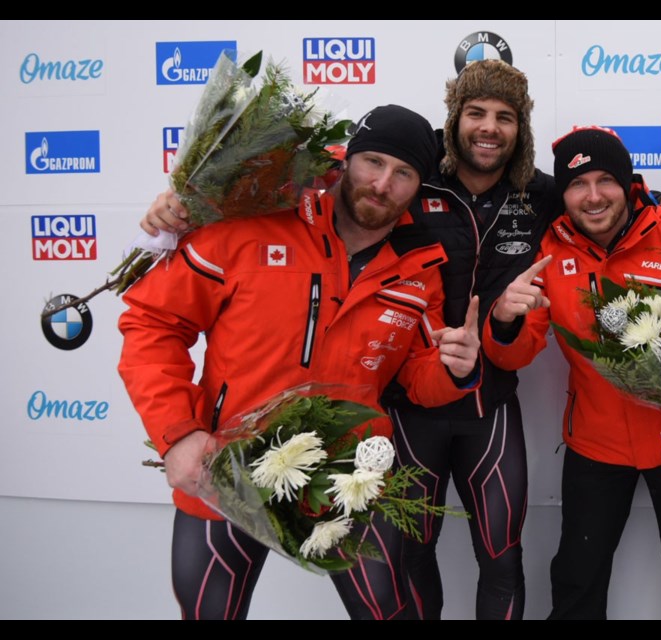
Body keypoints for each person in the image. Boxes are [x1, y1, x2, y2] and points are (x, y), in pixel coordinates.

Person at [141, 60, 661, 620]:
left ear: (521, 130)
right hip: (373, 418)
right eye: (476, 112)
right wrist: (190, 199)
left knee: (500, 561)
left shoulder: (537, 194)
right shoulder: (402, 176)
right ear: (452, 123)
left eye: (505, 116)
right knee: (407, 562)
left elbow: (596, 193)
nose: (489, 128)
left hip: (477, 403)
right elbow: (336, 175)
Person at [118, 104, 482, 620]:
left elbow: (418, 378)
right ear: (347, 158)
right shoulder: (254, 218)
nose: (382, 184)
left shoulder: (419, 266)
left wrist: (456, 368)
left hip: (346, 478)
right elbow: (153, 324)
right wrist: (177, 433)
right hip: (225, 467)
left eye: (404, 174)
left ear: (419, 187)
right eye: (372, 162)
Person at [483, 126, 661, 620]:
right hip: (595, 444)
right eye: (577, 184)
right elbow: (516, 353)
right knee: (577, 578)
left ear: (628, 183)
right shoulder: (550, 249)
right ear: (563, 193)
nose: (593, 197)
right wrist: (504, 321)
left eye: (605, 181)